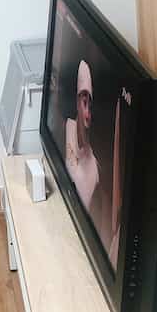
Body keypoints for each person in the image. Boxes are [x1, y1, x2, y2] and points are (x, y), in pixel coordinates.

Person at [65, 60, 99, 209]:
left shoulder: (94, 171)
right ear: (77, 101)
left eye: (90, 107)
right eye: (84, 103)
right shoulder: (67, 128)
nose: (87, 114)